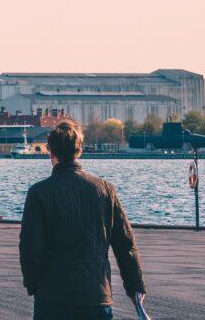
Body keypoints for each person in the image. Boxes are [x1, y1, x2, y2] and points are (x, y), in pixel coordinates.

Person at [19, 120, 146, 320]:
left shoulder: (39, 192)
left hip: (52, 297)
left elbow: (29, 247)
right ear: (79, 151)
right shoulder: (105, 190)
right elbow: (125, 245)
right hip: (96, 296)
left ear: (51, 152)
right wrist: (135, 288)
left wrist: (33, 285)